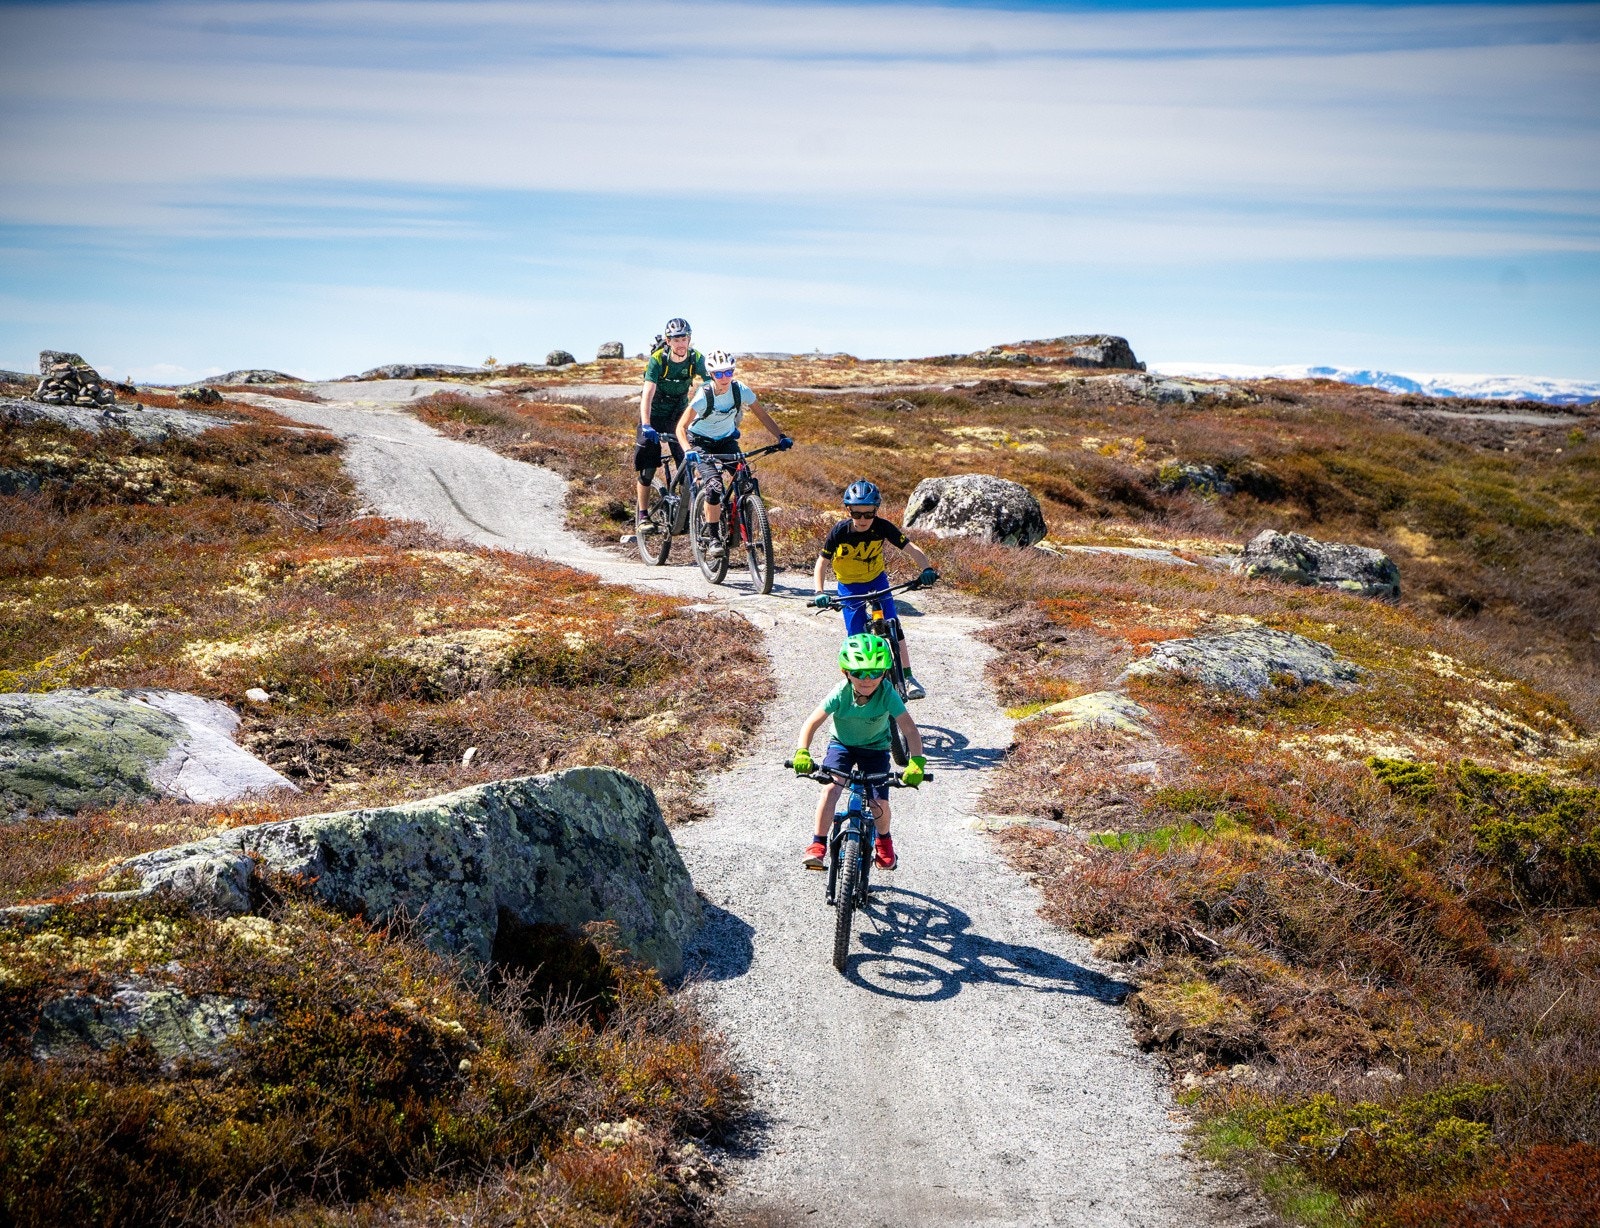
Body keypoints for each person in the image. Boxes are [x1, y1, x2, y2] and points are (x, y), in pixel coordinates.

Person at [791, 633, 926, 871]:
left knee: (878, 801)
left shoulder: (886, 693)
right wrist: (803, 751)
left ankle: (884, 841)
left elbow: (910, 730)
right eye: (859, 673)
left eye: (875, 672)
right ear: (845, 672)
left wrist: (916, 762)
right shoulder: (841, 692)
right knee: (831, 788)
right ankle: (817, 844)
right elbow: (812, 722)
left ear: (885, 673)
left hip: (875, 749)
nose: (867, 679)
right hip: (842, 745)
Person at [812, 479, 938, 700]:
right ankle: (855, 683)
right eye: (857, 514)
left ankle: (907, 676)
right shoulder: (840, 531)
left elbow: (911, 548)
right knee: (856, 638)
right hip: (850, 587)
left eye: (868, 514)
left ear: (876, 511)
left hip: (877, 581)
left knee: (893, 625)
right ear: (848, 510)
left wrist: (926, 568)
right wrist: (819, 591)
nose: (862, 520)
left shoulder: (882, 527)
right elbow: (822, 562)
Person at [675, 349, 791, 539]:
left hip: (726, 441)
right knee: (714, 486)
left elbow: (762, 415)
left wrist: (781, 436)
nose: (724, 377)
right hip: (700, 443)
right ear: (711, 374)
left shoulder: (740, 390)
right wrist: (688, 450)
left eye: (728, 372)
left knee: (746, 481)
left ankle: (735, 523)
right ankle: (713, 538)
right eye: (719, 373)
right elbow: (681, 427)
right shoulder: (704, 395)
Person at [634, 318, 707, 534]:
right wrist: (647, 425)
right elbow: (647, 393)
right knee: (647, 463)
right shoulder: (658, 360)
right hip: (655, 415)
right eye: (676, 339)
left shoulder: (696, 358)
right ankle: (643, 515)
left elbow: (710, 383)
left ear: (689, 339)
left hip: (678, 414)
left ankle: (689, 514)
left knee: (688, 460)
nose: (681, 343)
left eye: (684, 338)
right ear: (668, 340)